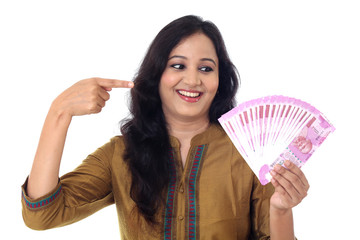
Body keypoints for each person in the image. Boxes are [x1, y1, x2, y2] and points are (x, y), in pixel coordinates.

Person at [21, 15, 309, 240]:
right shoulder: (120, 153)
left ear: (221, 79)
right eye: (178, 66)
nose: (193, 80)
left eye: (206, 68)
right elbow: (42, 215)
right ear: (157, 73)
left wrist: (281, 210)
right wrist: (59, 113)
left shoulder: (249, 153)